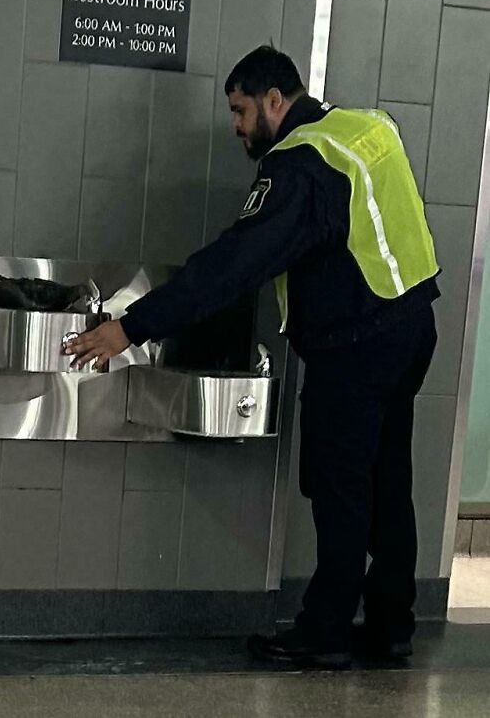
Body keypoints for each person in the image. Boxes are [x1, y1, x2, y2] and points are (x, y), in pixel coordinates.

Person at [64, 45, 440, 670]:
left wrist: (132, 327)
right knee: (387, 481)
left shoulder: (299, 163)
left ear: (274, 99)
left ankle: (324, 633)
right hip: (409, 327)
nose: (237, 126)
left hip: (354, 346)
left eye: (241, 111)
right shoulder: (367, 127)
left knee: (341, 488)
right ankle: (391, 624)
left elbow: (236, 264)